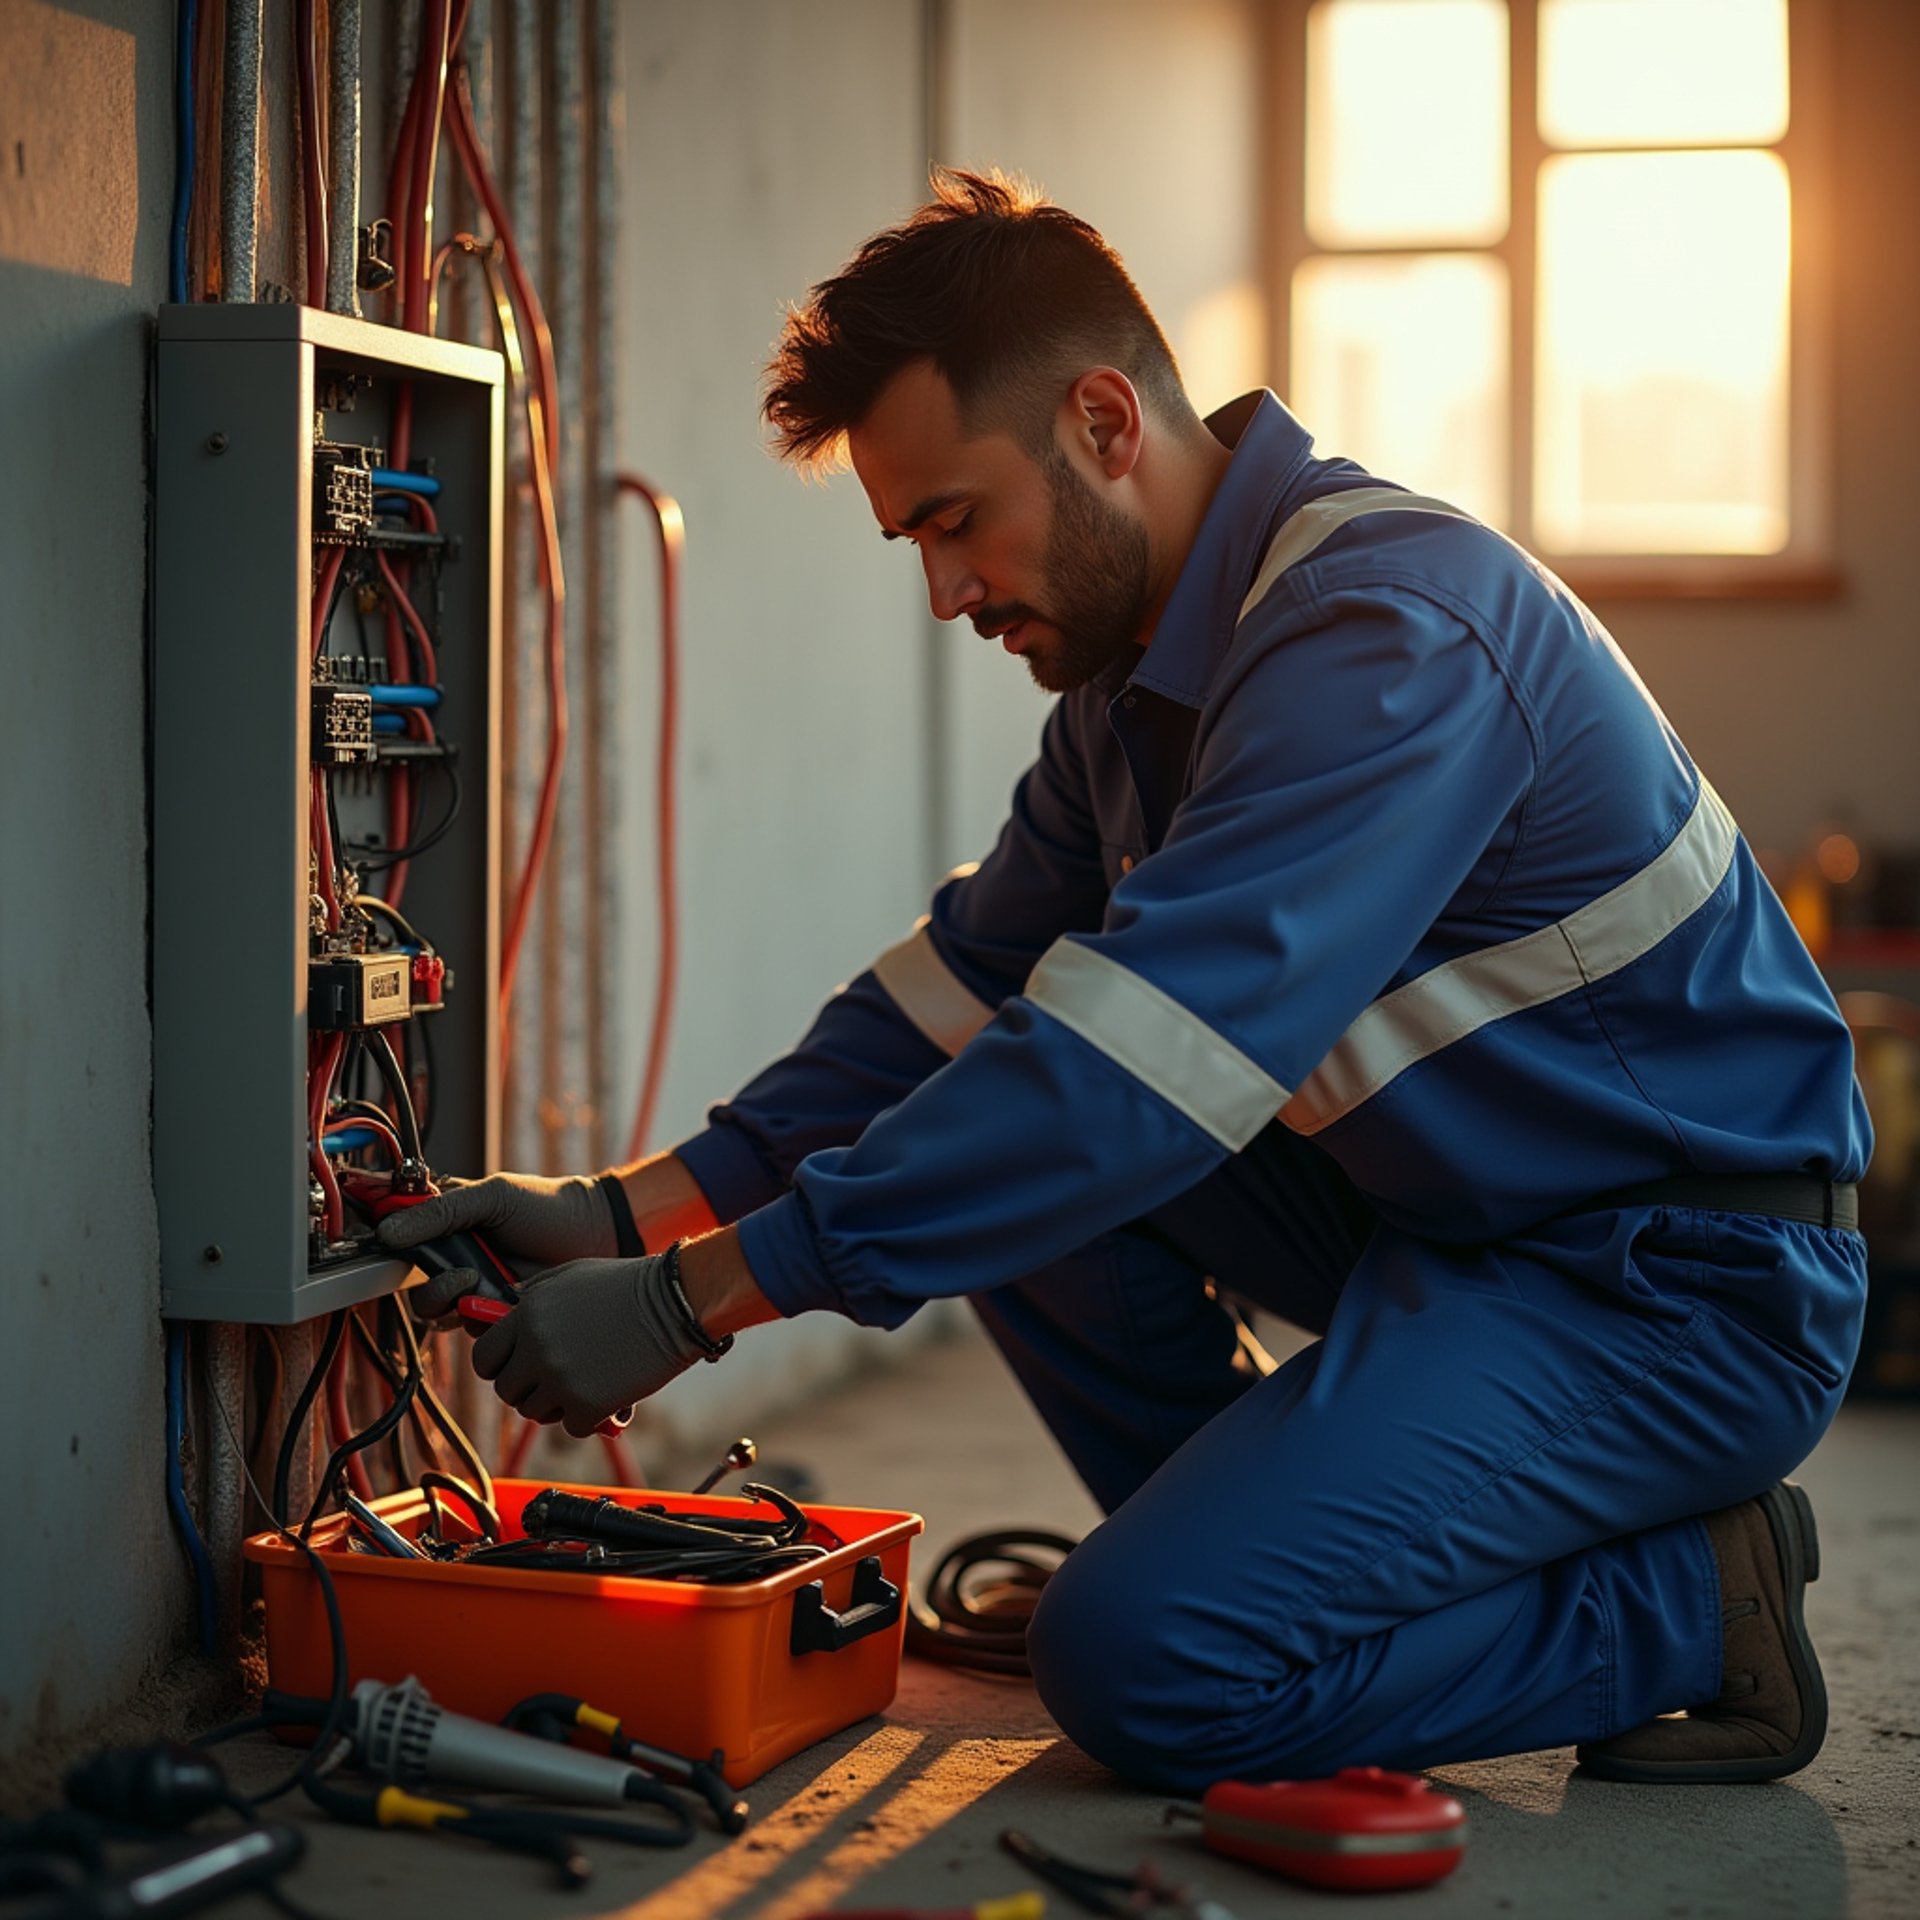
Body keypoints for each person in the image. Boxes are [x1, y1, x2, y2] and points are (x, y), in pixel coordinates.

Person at [381, 170, 1869, 1791]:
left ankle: (1686, 1604)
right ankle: (1255, 1564)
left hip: (1675, 1283)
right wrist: (624, 1213)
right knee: (993, 1123)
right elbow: (950, 1012)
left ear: (1103, 421)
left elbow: (1118, 1087)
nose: (943, 593)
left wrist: (696, 1301)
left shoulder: (1387, 637)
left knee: (1144, 1667)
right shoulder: (1134, 695)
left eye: (955, 520)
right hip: (1470, 1225)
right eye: (913, 543)